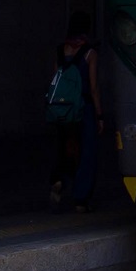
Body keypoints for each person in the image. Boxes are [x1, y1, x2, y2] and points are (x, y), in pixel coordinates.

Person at [48, 12, 104, 213]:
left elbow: (55, 80)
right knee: (87, 153)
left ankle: (59, 181)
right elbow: (94, 86)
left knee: (66, 149)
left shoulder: (60, 50)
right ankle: (80, 199)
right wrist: (99, 115)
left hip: (63, 110)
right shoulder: (90, 53)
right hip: (84, 108)